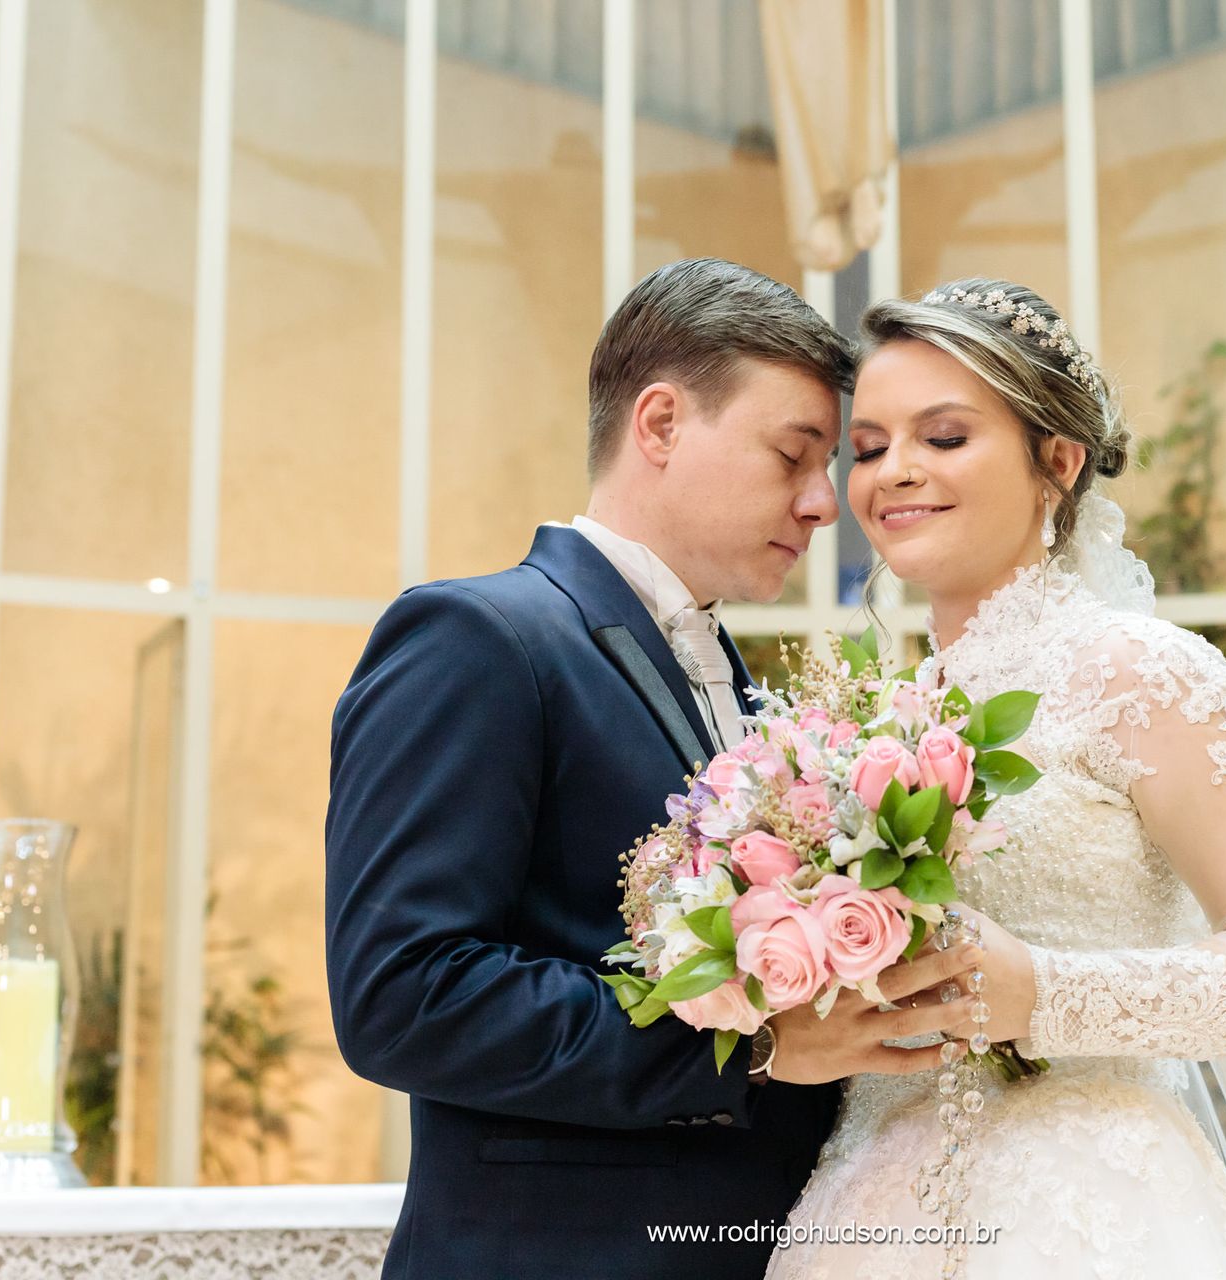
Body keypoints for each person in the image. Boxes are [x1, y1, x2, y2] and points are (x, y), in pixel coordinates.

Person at [768, 279, 1226, 1279]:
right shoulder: (878, 716)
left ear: (1058, 461)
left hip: (1092, 1213)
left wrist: (1045, 992)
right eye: (868, 448)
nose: (893, 471)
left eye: (943, 437)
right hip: (869, 1207)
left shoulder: (1141, 672)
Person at [325, 258, 983, 1279]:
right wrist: (755, 1049)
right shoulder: (479, 637)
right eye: (793, 454)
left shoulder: (735, 677)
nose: (822, 505)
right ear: (664, 423)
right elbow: (402, 993)